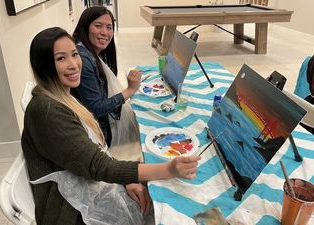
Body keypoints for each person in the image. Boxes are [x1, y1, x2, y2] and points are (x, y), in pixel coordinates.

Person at [21, 27, 200, 225]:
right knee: (168, 204)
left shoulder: (61, 96)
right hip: (70, 211)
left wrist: (126, 179)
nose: (73, 64)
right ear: (43, 66)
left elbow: (92, 152)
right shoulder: (46, 110)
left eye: (74, 54)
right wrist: (168, 169)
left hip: (88, 184)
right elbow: (98, 166)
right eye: (61, 58)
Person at [71, 6, 141, 148]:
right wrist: (130, 90)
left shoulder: (89, 52)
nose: (105, 32)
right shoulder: (83, 59)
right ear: (85, 27)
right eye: (98, 26)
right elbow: (96, 109)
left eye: (109, 27)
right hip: (95, 134)